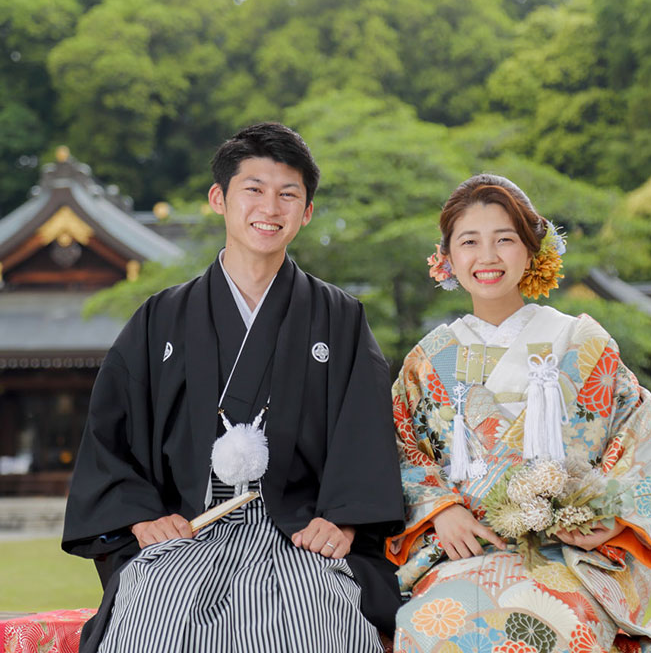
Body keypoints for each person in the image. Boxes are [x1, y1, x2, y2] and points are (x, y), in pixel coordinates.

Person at [62, 122, 404, 653]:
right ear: (218, 199)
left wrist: (343, 520)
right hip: (191, 529)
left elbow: (366, 432)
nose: (271, 207)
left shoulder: (339, 318)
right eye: (254, 190)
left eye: (289, 194)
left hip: (297, 533)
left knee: (314, 616)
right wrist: (142, 515)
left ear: (307, 212)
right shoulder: (160, 318)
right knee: (154, 611)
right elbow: (111, 436)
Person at [387, 174, 651, 653]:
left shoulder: (581, 343)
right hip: (461, 551)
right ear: (448, 258)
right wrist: (440, 511)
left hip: (570, 556)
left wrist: (612, 516)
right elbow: (399, 448)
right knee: (430, 627)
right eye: (470, 242)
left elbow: (640, 430)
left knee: (550, 626)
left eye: (505, 240)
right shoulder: (427, 360)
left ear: (531, 248)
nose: (488, 257)